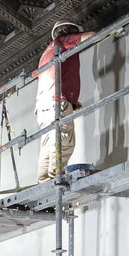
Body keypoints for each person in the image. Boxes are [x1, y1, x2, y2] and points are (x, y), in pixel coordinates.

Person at [36, 21, 91, 182]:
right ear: (66, 31)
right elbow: (91, 36)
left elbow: (57, 77)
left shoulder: (46, 53)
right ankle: (55, 180)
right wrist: (111, 30)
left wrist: (72, 101)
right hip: (56, 103)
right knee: (64, 142)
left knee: (48, 145)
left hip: (43, 106)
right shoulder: (62, 41)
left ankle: (43, 181)